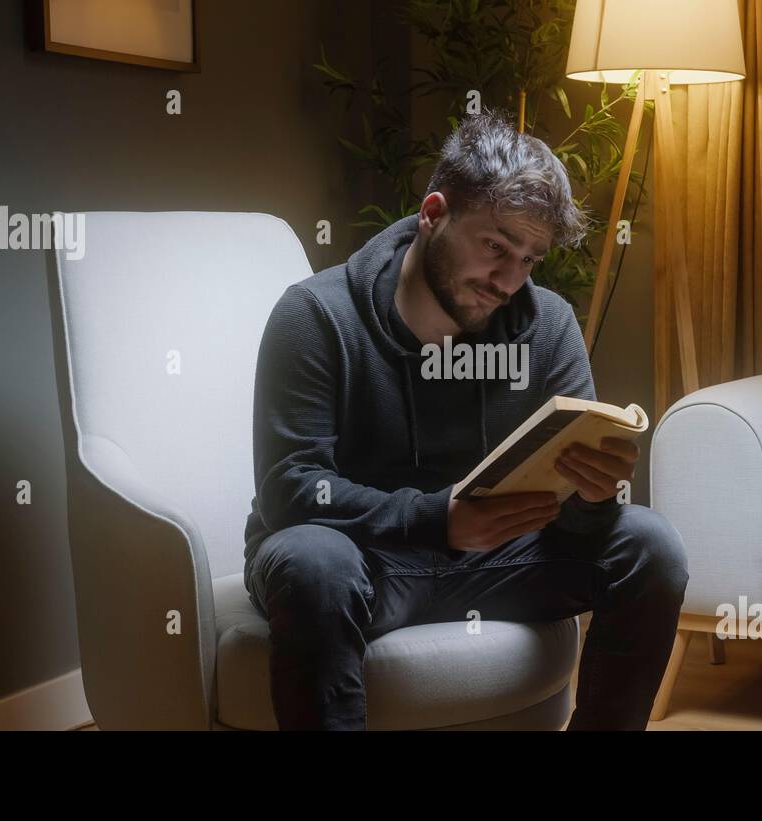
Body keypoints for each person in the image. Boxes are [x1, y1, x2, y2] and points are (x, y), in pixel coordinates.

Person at [243, 108, 690, 730]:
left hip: (497, 560)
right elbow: (289, 491)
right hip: (367, 559)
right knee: (314, 561)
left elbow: (583, 527)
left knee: (650, 544)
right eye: (496, 247)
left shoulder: (548, 324)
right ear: (433, 215)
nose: (509, 280)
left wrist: (594, 492)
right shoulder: (317, 315)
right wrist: (438, 519)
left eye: (530, 259)